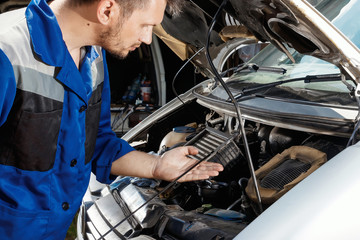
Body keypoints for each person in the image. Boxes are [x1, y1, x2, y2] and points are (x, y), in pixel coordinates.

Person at [0, 0, 223, 239]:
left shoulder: (93, 54)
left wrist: (157, 166)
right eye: (145, 25)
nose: (148, 38)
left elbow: (95, 142)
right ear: (107, 10)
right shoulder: (8, 53)